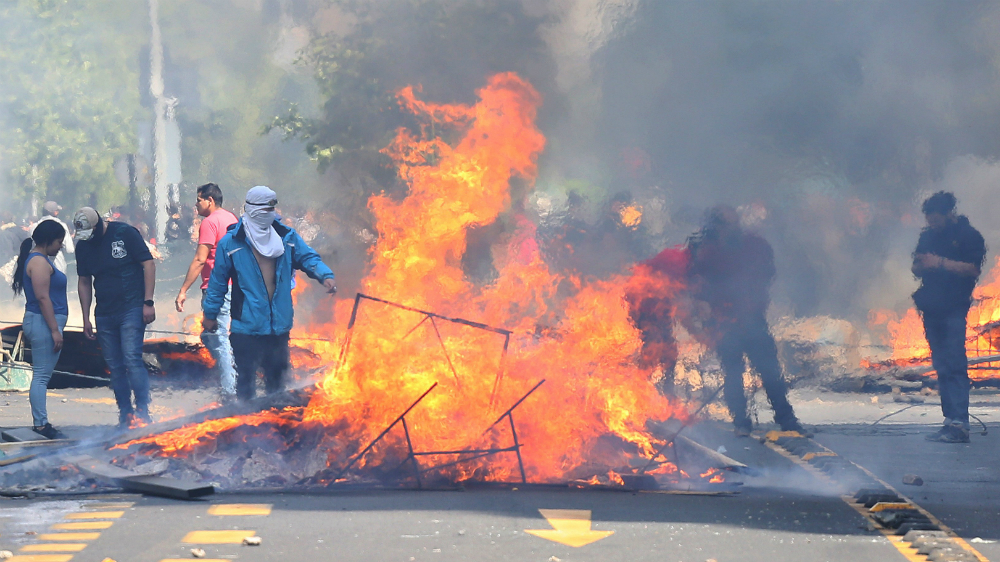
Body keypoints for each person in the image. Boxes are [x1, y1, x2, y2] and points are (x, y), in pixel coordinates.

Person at [202, 186, 336, 402]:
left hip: (278, 328)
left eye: (271, 207)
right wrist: (210, 315)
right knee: (246, 386)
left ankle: (277, 430)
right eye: (263, 208)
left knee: (278, 386)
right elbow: (217, 283)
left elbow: (309, 258)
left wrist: (325, 275)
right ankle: (245, 429)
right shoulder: (231, 243)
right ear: (250, 209)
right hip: (246, 328)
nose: (268, 212)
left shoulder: (287, 237)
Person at [687, 205, 808, 437]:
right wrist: (713, 310)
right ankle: (741, 422)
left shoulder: (756, 245)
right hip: (725, 323)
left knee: (770, 371)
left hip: (753, 319)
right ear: (717, 227)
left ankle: (788, 420)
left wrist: (752, 299)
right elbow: (699, 285)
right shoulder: (708, 252)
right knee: (733, 373)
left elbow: (766, 273)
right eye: (726, 223)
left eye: (734, 222)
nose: (732, 228)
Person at [912, 192, 987, 443]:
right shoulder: (927, 236)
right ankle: (949, 420)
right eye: (929, 220)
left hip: (954, 306)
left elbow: (972, 269)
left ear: (948, 213)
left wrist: (940, 262)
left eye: (936, 219)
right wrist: (922, 264)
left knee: (955, 363)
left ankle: (961, 423)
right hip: (932, 306)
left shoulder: (969, 236)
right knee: (941, 364)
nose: (932, 224)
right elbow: (916, 266)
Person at [74, 207, 157, 428]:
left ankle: (142, 411)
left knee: (131, 358)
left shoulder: (124, 233)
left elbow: (148, 264)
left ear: (98, 223)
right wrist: (85, 318)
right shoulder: (83, 246)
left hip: (131, 306)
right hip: (104, 312)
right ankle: (125, 413)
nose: (88, 238)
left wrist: (148, 302)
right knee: (115, 365)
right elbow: (84, 281)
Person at [174, 183, 238, 400]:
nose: (195, 204)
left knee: (218, 338)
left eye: (199, 200)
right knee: (213, 336)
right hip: (234, 286)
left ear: (210, 200)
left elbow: (201, 259)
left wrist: (183, 290)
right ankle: (234, 376)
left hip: (215, 288)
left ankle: (230, 391)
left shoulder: (210, 223)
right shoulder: (232, 218)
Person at [11, 221, 68, 439]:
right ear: (48, 240)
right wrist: (55, 329)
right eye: (59, 242)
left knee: (42, 374)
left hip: (43, 321)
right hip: (43, 322)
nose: (60, 247)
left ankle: (41, 422)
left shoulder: (39, 260)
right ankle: (41, 424)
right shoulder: (39, 262)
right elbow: (43, 298)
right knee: (42, 376)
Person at [29, 201, 75, 273]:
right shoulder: (61, 226)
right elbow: (70, 249)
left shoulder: (34, 227)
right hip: (58, 266)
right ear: (55, 212)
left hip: (37, 264)